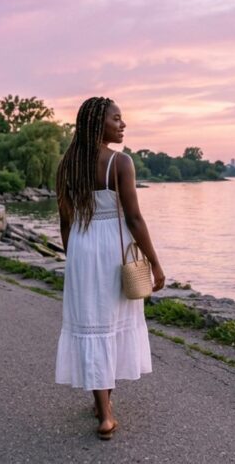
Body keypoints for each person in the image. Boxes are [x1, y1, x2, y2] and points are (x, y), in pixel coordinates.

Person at [54, 97, 165, 441]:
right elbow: (133, 218)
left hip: (82, 250)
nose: (123, 124)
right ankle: (106, 415)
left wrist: (73, 257)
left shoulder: (67, 164)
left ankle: (102, 405)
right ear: (97, 124)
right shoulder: (120, 162)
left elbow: (65, 220)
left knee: (92, 324)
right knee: (112, 324)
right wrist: (155, 263)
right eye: (116, 119)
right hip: (111, 252)